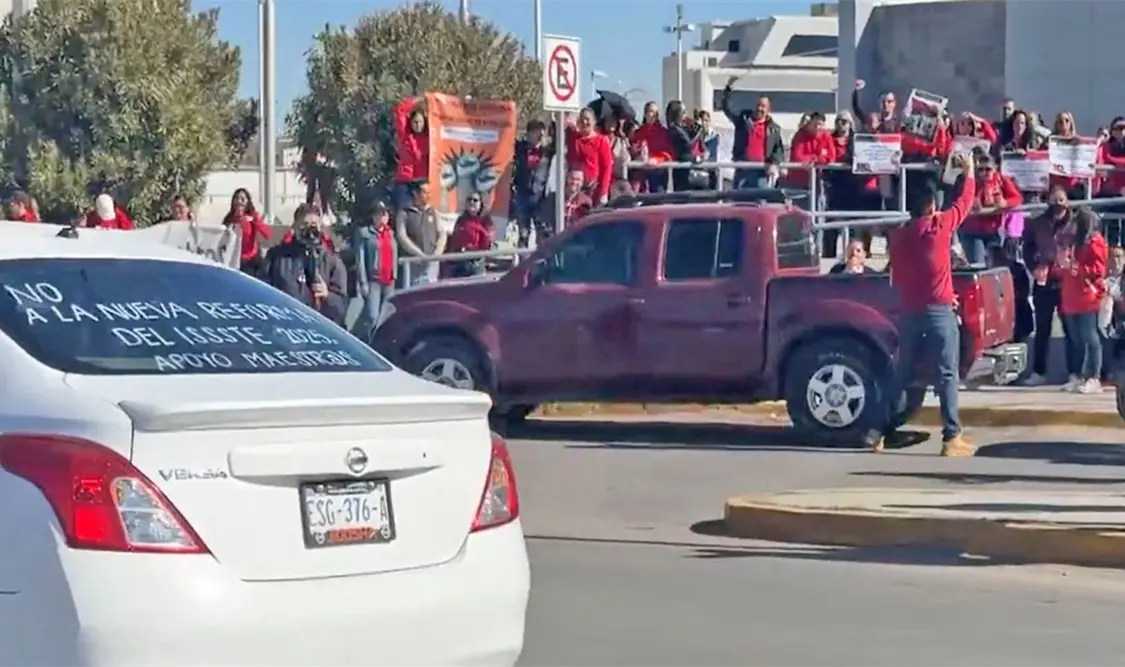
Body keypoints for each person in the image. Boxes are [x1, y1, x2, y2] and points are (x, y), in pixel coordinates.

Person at [865, 155, 977, 457]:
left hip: (909, 312)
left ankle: (876, 431)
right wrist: (969, 173)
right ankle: (952, 436)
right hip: (939, 311)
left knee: (900, 374)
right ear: (931, 207)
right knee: (946, 374)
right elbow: (964, 203)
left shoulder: (899, 237)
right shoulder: (938, 229)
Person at [1022, 186, 1080, 385]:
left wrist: (1075, 266)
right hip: (1044, 281)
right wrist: (1034, 266)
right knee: (1042, 329)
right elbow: (1027, 249)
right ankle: (1039, 372)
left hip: (1067, 282)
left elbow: (1082, 248)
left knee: (1071, 329)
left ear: (1067, 202)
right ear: (1048, 202)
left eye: (1062, 200)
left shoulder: (1076, 223)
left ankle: (1075, 373)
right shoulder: (1037, 223)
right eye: (1055, 201)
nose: (1058, 205)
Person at [259, 203, 348, 326]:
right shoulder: (276, 257)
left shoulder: (332, 261)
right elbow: (262, 293)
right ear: (295, 227)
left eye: (313, 225)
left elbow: (342, 306)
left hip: (319, 328)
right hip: (286, 325)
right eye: (304, 225)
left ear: (320, 227)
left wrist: (327, 295)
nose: (310, 230)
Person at [1055, 207, 1107, 394]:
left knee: (1090, 338)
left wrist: (1077, 268)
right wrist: (1063, 267)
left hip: (1087, 297)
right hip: (1072, 296)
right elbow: (1067, 269)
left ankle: (1094, 377)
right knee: (1076, 339)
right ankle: (1078, 375)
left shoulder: (1095, 242)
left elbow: (1098, 270)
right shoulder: (1074, 243)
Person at [720, 79, 785, 189]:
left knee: (761, 203)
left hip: (762, 172)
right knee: (739, 203)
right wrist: (727, 91)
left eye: (763, 106)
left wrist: (774, 163)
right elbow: (727, 109)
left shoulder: (774, 128)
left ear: (768, 109)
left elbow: (778, 150)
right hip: (743, 170)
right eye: (758, 105)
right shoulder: (743, 119)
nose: (760, 108)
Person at [958, 154, 1021, 265]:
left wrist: (1005, 202)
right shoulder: (972, 180)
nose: (984, 173)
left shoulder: (1001, 180)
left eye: (988, 169)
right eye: (981, 170)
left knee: (995, 264)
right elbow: (960, 197)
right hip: (973, 231)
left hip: (993, 230)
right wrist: (971, 201)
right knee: (978, 264)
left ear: (995, 168)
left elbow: (1017, 198)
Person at [352, 201, 397, 341]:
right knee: (372, 315)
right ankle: (369, 340)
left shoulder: (390, 233)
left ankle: (382, 343)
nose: (383, 217)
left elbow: (394, 254)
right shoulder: (365, 234)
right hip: (374, 280)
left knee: (387, 315)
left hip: (389, 279)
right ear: (373, 216)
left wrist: (395, 274)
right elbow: (360, 259)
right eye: (379, 214)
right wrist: (363, 282)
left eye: (385, 214)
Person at [395, 180, 445, 286]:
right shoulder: (404, 213)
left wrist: (437, 253)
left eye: (429, 192)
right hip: (414, 263)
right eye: (425, 192)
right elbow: (402, 236)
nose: (428, 195)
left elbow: (442, 234)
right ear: (415, 193)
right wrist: (419, 254)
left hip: (432, 263)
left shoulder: (433, 212)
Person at [566, 107, 613, 205]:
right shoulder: (574, 138)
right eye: (582, 118)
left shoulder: (601, 140)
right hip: (574, 187)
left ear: (594, 122)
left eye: (587, 119)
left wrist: (604, 192)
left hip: (593, 188)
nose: (584, 121)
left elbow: (607, 167)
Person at [513, 119, 548, 248]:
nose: (540, 135)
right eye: (537, 132)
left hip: (540, 195)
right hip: (522, 193)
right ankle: (523, 262)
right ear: (529, 133)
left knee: (542, 231)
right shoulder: (520, 148)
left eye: (542, 132)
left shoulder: (547, 151)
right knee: (523, 232)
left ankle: (541, 261)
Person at [445, 192, 495, 278]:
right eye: (469, 199)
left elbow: (487, 243)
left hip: (476, 263)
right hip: (459, 262)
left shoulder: (486, 221)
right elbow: (454, 240)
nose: (471, 202)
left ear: (481, 203)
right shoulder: (461, 219)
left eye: (475, 200)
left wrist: (471, 249)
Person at [223, 188, 271, 275]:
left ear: (248, 202)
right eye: (236, 198)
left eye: (242, 199)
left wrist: (254, 220)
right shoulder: (229, 219)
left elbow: (267, 234)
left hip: (251, 260)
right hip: (234, 259)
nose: (239, 201)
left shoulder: (252, 217)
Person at [393, 98, 429, 209]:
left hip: (422, 180)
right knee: (405, 211)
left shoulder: (429, 137)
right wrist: (419, 99)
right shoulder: (405, 134)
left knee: (422, 212)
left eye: (420, 122)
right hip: (405, 180)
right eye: (415, 122)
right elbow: (400, 110)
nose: (417, 125)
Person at [537, 170, 593, 238]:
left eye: (578, 180)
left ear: (582, 182)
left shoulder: (586, 201)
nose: (574, 182)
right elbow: (545, 221)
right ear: (567, 179)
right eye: (572, 178)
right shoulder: (553, 198)